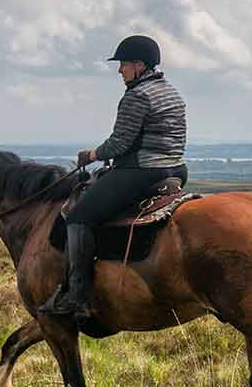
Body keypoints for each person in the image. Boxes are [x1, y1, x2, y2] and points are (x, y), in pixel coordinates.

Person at [41, 35, 187, 320]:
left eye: (123, 65)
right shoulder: (171, 92)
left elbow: (119, 143)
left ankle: (77, 297)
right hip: (176, 169)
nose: (120, 71)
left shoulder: (137, 96)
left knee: (80, 216)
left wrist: (92, 154)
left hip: (144, 171)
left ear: (139, 65)